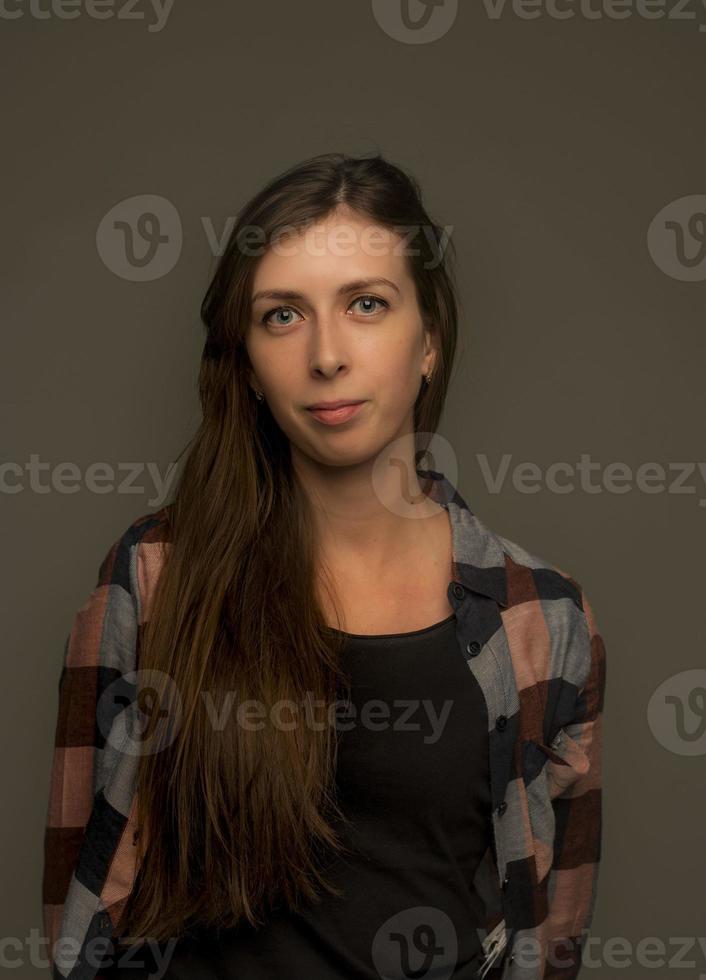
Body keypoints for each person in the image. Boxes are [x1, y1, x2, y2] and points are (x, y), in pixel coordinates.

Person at [42, 152, 606, 980]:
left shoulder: (545, 618)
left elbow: (555, 931)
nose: (327, 355)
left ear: (429, 344)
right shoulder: (153, 580)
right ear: (249, 364)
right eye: (282, 316)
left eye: (367, 304)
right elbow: (78, 902)